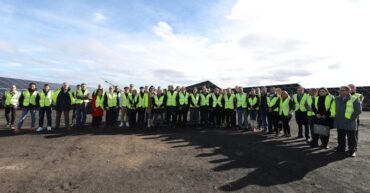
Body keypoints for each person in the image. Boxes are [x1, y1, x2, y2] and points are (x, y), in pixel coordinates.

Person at [333, 86, 362, 157]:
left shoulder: (354, 98)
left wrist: (350, 119)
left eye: (342, 90)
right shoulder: (337, 99)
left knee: (351, 138)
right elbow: (334, 109)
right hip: (340, 121)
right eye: (340, 90)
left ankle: (352, 151)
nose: (340, 91)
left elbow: (358, 110)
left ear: (348, 91)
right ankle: (341, 148)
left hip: (350, 122)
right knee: (340, 136)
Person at [348, 84, 364, 152]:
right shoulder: (344, 95)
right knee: (344, 133)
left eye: (352, 87)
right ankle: (343, 146)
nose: (351, 88)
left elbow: (358, 106)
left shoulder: (359, 95)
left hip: (354, 118)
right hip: (345, 118)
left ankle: (354, 147)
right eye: (349, 87)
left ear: (355, 88)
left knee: (354, 134)